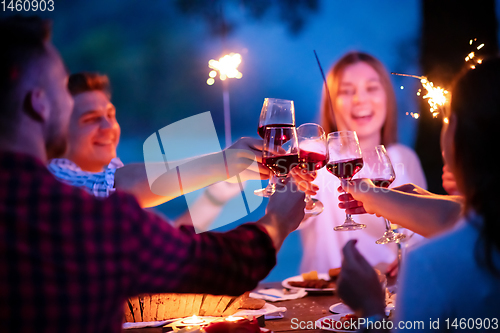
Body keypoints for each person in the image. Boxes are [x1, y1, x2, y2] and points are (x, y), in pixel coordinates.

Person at [0, 16, 306, 333]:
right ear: (39, 104)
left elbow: (167, 240)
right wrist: (278, 220)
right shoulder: (84, 208)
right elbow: (217, 263)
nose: (107, 128)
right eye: (61, 89)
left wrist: (225, 178)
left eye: (111, 115)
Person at [336, 57, 500, 332]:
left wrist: (370, 311)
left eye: (448, 118)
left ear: (461, 137)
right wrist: (386, 199)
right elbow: (463, 217)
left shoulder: (428, 263)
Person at [48, 72, 249, 228]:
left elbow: (166, 246)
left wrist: (214, 198)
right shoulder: (54, 179)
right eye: (91, 119)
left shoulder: (105, 193)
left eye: (110, 115)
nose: (108, 127)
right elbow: (124, 183)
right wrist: (222, 163)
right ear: (58, 130)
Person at [298, 52, 427, 273]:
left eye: (372, 88)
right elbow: (295, 218)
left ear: (387, 96)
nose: (360, 100)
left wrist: (407, 258)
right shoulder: (314, 157)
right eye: (347, 91)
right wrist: (289, 184)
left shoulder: (404, 158)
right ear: (331, 105)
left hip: (391, 298)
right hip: (323, 298)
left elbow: (421, 233)